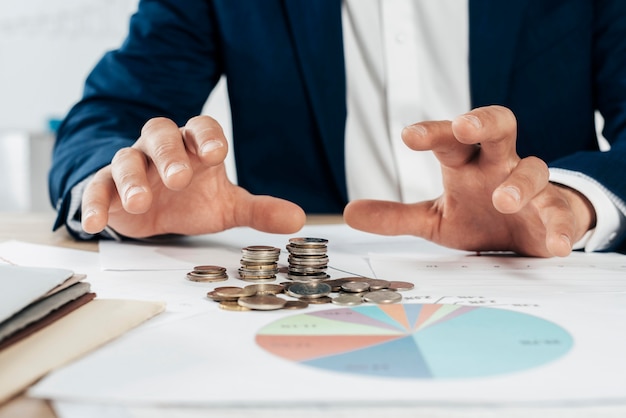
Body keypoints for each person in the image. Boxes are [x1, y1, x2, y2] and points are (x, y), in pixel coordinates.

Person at [49, 0, 626, 257]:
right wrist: (126, 183)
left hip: (547, 288)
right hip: (299, 307)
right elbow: (108, 117)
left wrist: (575, 201)